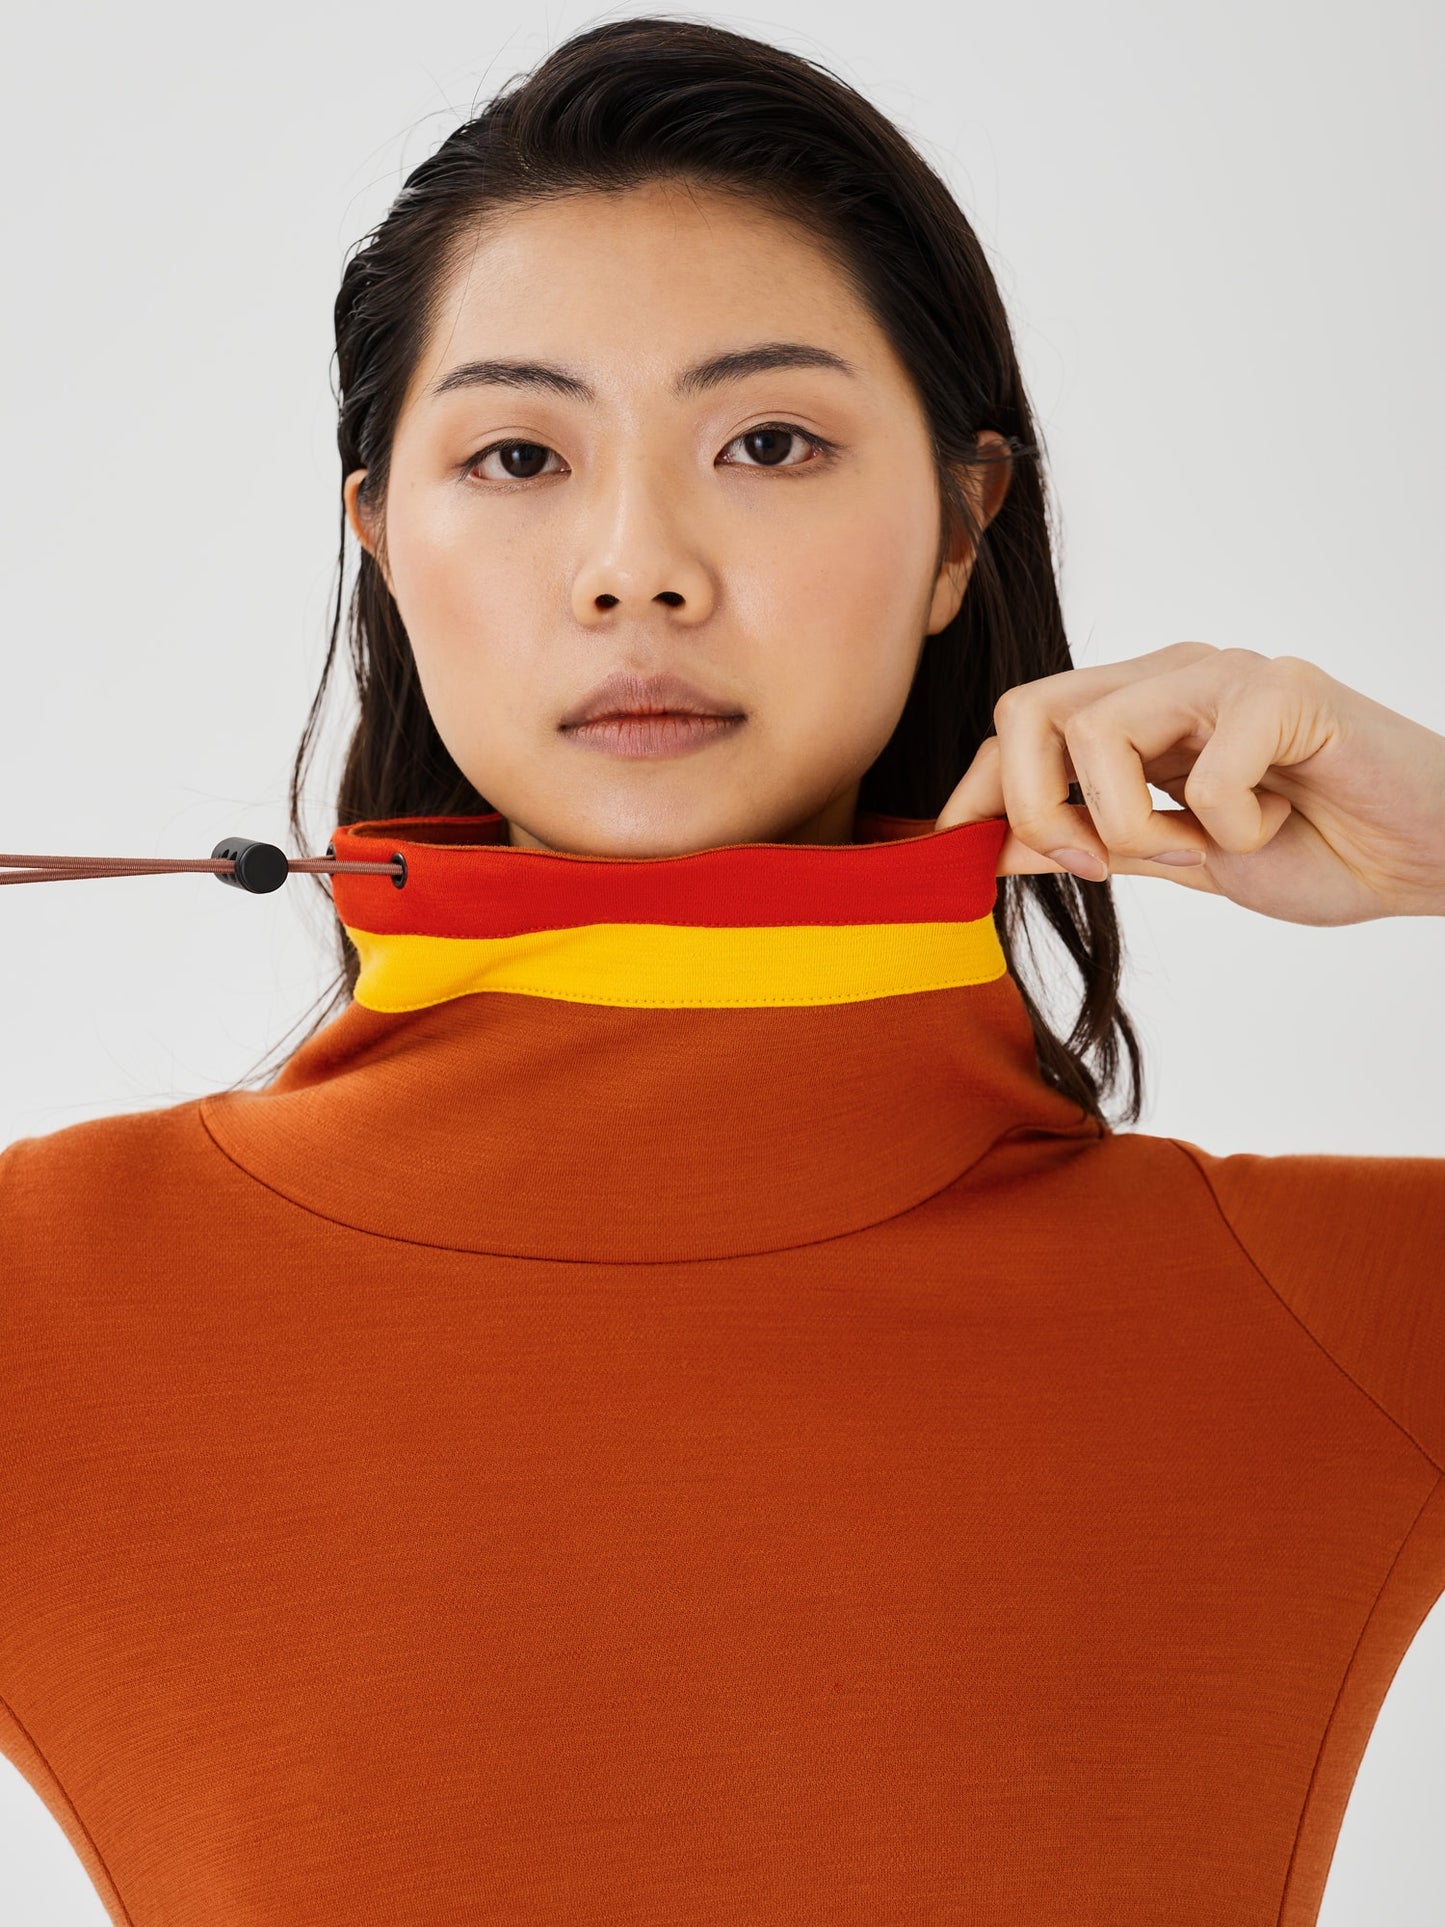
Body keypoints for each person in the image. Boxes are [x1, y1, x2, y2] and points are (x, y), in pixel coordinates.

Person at [2, 18, 1442, 1926]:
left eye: (766, 442)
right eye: (517, 452)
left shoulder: (1330, 1322)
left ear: (959, 525)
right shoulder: (49, 1311)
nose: (635, 565)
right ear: (380, 539)